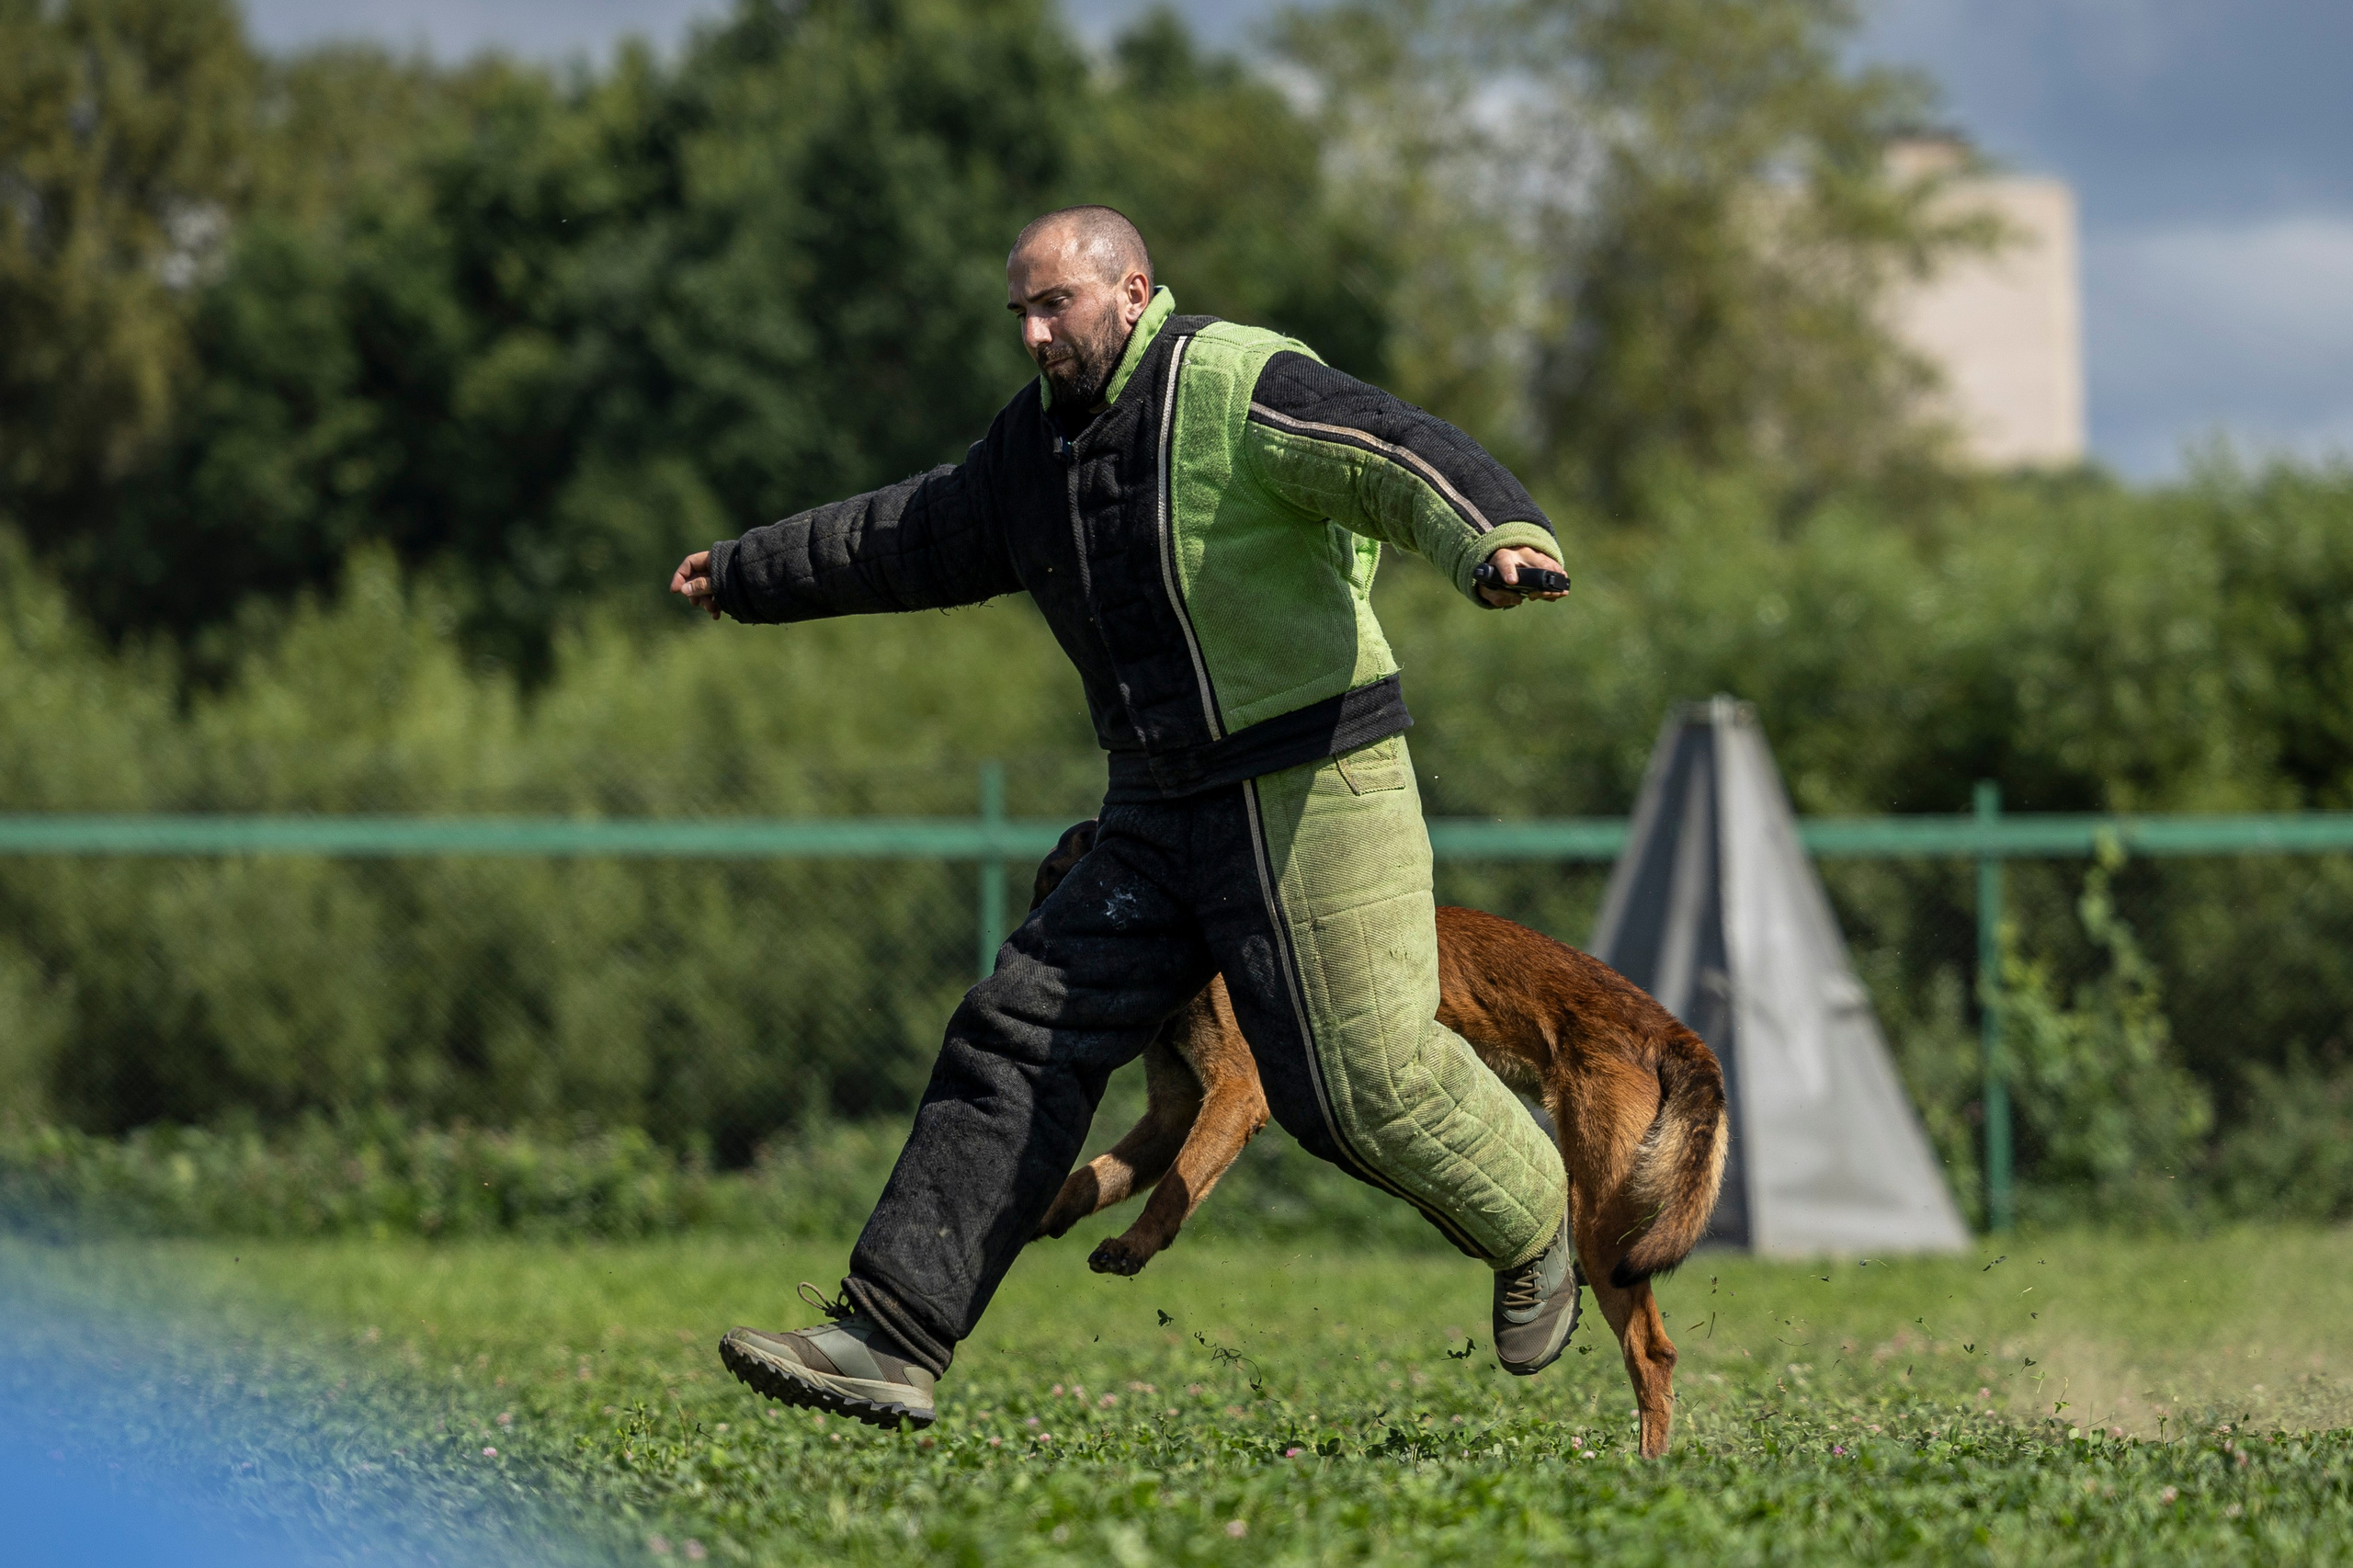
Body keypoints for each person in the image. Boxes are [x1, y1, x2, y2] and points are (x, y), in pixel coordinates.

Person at [671, 206, 1578, 1428]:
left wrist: (1495, 534)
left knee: (1352, 1086)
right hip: (1155, 808)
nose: (1038, 335)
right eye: (1023, 315)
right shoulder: (1029, 457)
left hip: (1315, 773)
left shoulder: (1232, 381)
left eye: (1059, 306)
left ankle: (1535, 1219)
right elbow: (907, 535)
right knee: (1020, 1029)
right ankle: (887, 1335)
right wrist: (747, 569)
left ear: (1134, 289)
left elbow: (1385, 446)